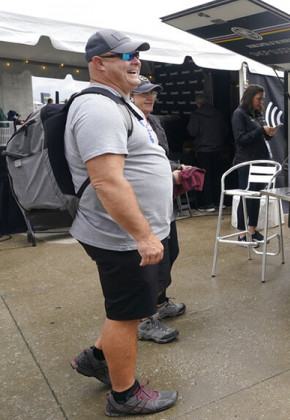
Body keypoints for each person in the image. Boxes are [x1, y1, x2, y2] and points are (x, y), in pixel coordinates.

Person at [65, 29, 177, 415]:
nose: (135, 61)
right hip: (121, 237)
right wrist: (144, 236)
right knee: (127, 316)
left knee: (125, 307)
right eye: (125, 55)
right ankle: (124, 396)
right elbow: (107, 180)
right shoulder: (98, 107)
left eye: (137, 55)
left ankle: (95, 359)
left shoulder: (121, 102)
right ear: (99, 63)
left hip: (125, 233)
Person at [131, 75, 187, 344]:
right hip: (142, 205)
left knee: (170, 251)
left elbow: (159, 158)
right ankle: (144, 320)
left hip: (163, 202)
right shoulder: (126, 122)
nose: (150, 97)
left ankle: (160, 302)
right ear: (130, 95)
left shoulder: (154, 122)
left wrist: (177, 169)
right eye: (143, 93)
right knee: (147, 264)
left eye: (153, 93)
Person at [231, 84, 278, 243]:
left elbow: (261, 136)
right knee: (246, 195)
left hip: (260, 160)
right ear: (250, 97)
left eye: (262, 99)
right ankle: (242, 234)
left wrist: (269, 133)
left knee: (257, 196)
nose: (261, 102)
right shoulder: (239, 114)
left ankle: (253, 230)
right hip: (246, 161)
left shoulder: (257, 113)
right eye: (259, 99)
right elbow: (240, 139)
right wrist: (261, 131)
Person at [187, 93, 230, 212]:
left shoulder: (196, 114)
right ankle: (219, 202)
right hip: (218, 150)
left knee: (204, 177)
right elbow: (225, 131)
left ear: (197, 103)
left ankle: (207, 204)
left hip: (203, 150)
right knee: (218, 176)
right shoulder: (218, 113)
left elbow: (192, 132)